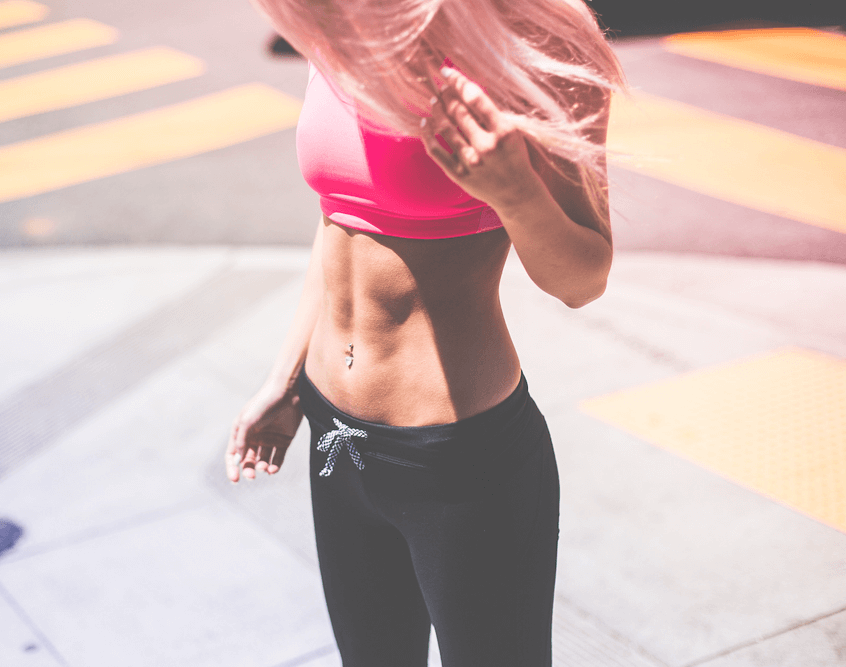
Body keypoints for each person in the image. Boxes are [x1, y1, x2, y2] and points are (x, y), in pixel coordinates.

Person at [226, 1, 625, 664]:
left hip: (460, 460)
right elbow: (337, 226)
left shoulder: (541, 34)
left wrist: (514, 190)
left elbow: (584, 279)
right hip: (336, 438)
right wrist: (286, 379)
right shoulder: (342, 20)